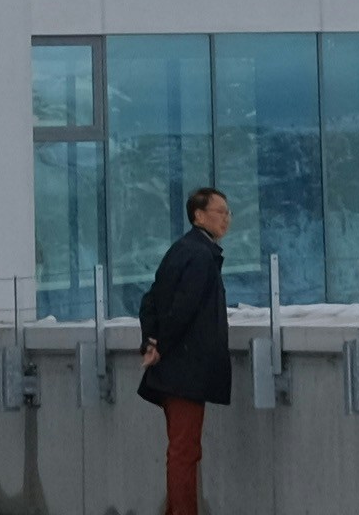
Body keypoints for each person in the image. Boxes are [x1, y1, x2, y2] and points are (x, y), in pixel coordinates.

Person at [137, 185, 237, 515]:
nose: (227, 218)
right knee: (184, 452)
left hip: (174, 370)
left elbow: (150, 300)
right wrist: (161, 346)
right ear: (198, 215)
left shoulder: (181, 250)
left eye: (228, 213)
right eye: (220, 212)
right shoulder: (200, 255)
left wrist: (151, 341)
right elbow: (184, 308)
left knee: (183, 450)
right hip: (185, 371)